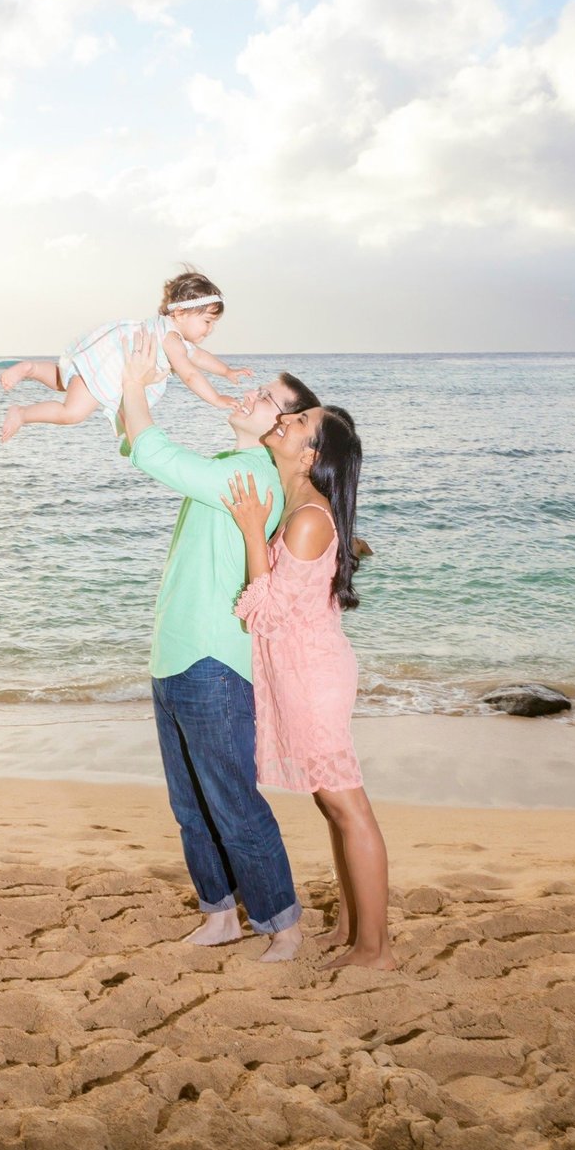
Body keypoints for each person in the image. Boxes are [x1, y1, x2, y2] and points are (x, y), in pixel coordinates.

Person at [121, 331, 320, 961]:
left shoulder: (249, 474)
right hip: (176, 654)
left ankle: (282, 924)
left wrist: (134, 383)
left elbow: (152, 453)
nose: (250, 396)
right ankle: (219, 913)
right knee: (190, 804)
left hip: (212, 662)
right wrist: (123, 393)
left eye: (267, 398)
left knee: (231, 799)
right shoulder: (224, 466)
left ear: (279, 427)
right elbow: (137, 442)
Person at [221, 404, 394, 970]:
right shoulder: (301, 504)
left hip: (312, 676)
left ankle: (376, 949)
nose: (286, 420)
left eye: (298, 423)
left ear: (311, 454)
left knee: (349, 807)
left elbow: (265, 613)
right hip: (301, 671)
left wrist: (251, 531)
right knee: (333, 806)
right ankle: (352, 928)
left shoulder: (309, 517)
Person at [0, 270, 253, 443]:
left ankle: (30, 368)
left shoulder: (171, 334)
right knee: (72, 413)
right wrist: (216, 398)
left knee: (63, 381)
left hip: (103, 362)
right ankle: (22, 414)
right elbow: (190, 373)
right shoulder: (171, 339)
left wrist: (226, 371)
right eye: (207, 321)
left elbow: (200, 357)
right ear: (181, 313)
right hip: (110, 370)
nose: (210, 329)